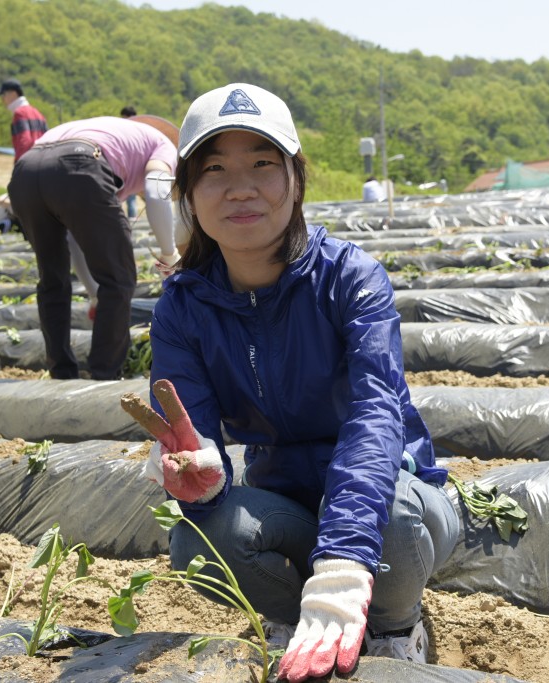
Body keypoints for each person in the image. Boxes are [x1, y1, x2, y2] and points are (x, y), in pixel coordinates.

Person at [146, 83, 459, 682]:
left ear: (295, 179)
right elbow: (195, 437)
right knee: (198, 540)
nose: (240, 187)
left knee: (390, 515)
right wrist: (201, 480)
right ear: (188, 193)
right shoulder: (182, 308)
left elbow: (375, 414)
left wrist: (342, 565)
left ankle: (395, 629)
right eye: (214, 169)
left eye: (262, 163)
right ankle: (299, 620)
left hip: (393, 497)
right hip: (287, 501)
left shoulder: (350, 277)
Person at [7, 116, 179, 380]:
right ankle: (104, 373)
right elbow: (157, 193)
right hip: (79, 164)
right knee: (119, 278)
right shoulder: (163, 143)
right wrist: (170, 255)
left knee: (52, 280)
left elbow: (75, 239)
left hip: (25, 172)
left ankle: (61, 372)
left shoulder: (115, 135)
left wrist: (94, 294)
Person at [0, 78, 47, 160]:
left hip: (28, 163)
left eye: (3, 95)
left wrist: (19, 165)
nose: (2, 99)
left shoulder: (20, 113)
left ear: (13, 93)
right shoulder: (38, 113)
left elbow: (24, 142)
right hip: (42, 160)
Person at [120, 105, 138, 218]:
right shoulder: (140, 127)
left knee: (123, 196)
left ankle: (129, 221)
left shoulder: (123, 128)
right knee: (132, 197)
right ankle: (133, 219)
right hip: (137, 167)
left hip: (124, 166)